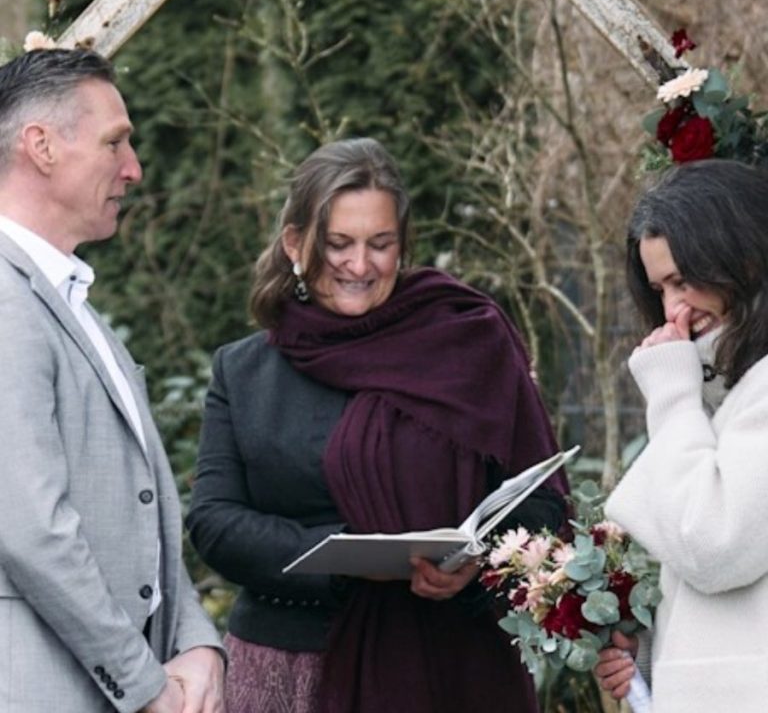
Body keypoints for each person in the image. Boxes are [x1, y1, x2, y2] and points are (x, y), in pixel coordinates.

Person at [186, 136, 568, 713]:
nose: (360, 265)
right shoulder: (244, 372)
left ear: (403, 246)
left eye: (381, 244)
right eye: (338, 244)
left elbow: (541, 502)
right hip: (287, 668)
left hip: (451, 667)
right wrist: (342, 559)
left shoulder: (468, 343)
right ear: (294, 243)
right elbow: (215, 522)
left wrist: (476, 566)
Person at [0, 49, 225, 713]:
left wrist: (196, 642)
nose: (134, 168)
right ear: (41, 146)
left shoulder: (69, 302)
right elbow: (31, 529)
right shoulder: (5, 302)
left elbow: (137, 507)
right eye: (114, 142)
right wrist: (144, 685)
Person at [593, 159, 768, 713]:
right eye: (659, 288)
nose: (673, 309)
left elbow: (711, 543)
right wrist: (647, 655)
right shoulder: (733, 391)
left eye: (682, 281)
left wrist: (670, 395)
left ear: (743, 259)